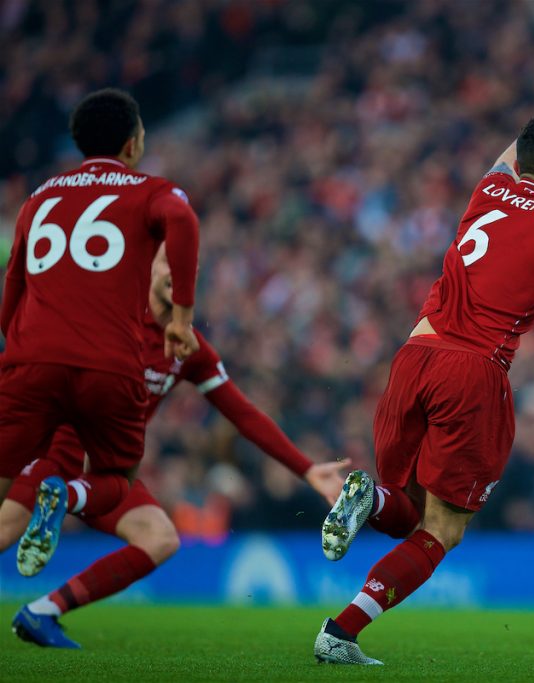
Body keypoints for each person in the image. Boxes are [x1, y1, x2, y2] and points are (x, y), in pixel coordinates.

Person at [314, 78, 534, 665]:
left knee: (402, 510)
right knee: (442, 530)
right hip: (471, 372)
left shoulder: (487, 193)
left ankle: (368, 500)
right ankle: (339, 635)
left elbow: (509, 158)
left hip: (413, 357)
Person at [1, 244, 349, 648]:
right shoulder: (111, 320)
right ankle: (64, 498)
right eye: (168, 261)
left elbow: (242, 413)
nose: (177, 272)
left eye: (186, 266)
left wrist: (305, 467)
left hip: (108, 470)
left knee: (160, 538)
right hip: (58, 453)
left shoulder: (187, 347)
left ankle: (42, 612)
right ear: (145, 269)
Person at [0, 88, 201, 577]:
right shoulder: (150, 191)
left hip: (31, 363)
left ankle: (53, 492)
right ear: (132, 144)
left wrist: (23, 351)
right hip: (108, 366)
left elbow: (13, 289)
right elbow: (183, 219)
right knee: (117, 479)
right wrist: (181, 317)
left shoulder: (37, 199)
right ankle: (67, 496)